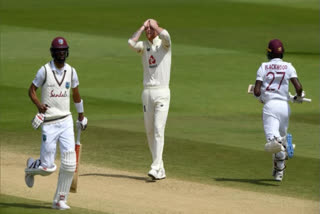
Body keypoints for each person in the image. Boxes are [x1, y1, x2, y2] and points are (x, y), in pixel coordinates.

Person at [25, 37, 88, 210]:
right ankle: (31, 167)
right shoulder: (44, 70)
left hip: (66, 121)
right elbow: (31, 91)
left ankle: (60, 200)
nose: (61, 53)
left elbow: (76, 95)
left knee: (69, 163)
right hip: (49, 123)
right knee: (47, 168)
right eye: (58, 51)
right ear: (53, 52)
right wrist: (39, 106)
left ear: (67, 52)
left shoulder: (72, 71)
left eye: (63, 50)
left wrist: (81, 116)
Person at [253, 39, 305, 181]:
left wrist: (256, 93)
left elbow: (257, 91)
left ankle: (283, 141)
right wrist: (298, 97)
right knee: (278, 148)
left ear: (268, 53)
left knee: (272, 144)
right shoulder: (288, 67)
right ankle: (279, 173)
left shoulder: (264, 67)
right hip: (284, 107)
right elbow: (299, 88)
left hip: (270, 107)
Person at [128, 19, 172, 180]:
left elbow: (166, 35)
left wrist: (154, 25)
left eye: (150, 29)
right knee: (150, 131)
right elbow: (131, 43)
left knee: (158, 129)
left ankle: (155, 167)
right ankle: (159, 168)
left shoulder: (164, 44)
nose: (148, 31)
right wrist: (142, 27)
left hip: (161, 92)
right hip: (147, 92)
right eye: (147, 29)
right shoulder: (144, 46)